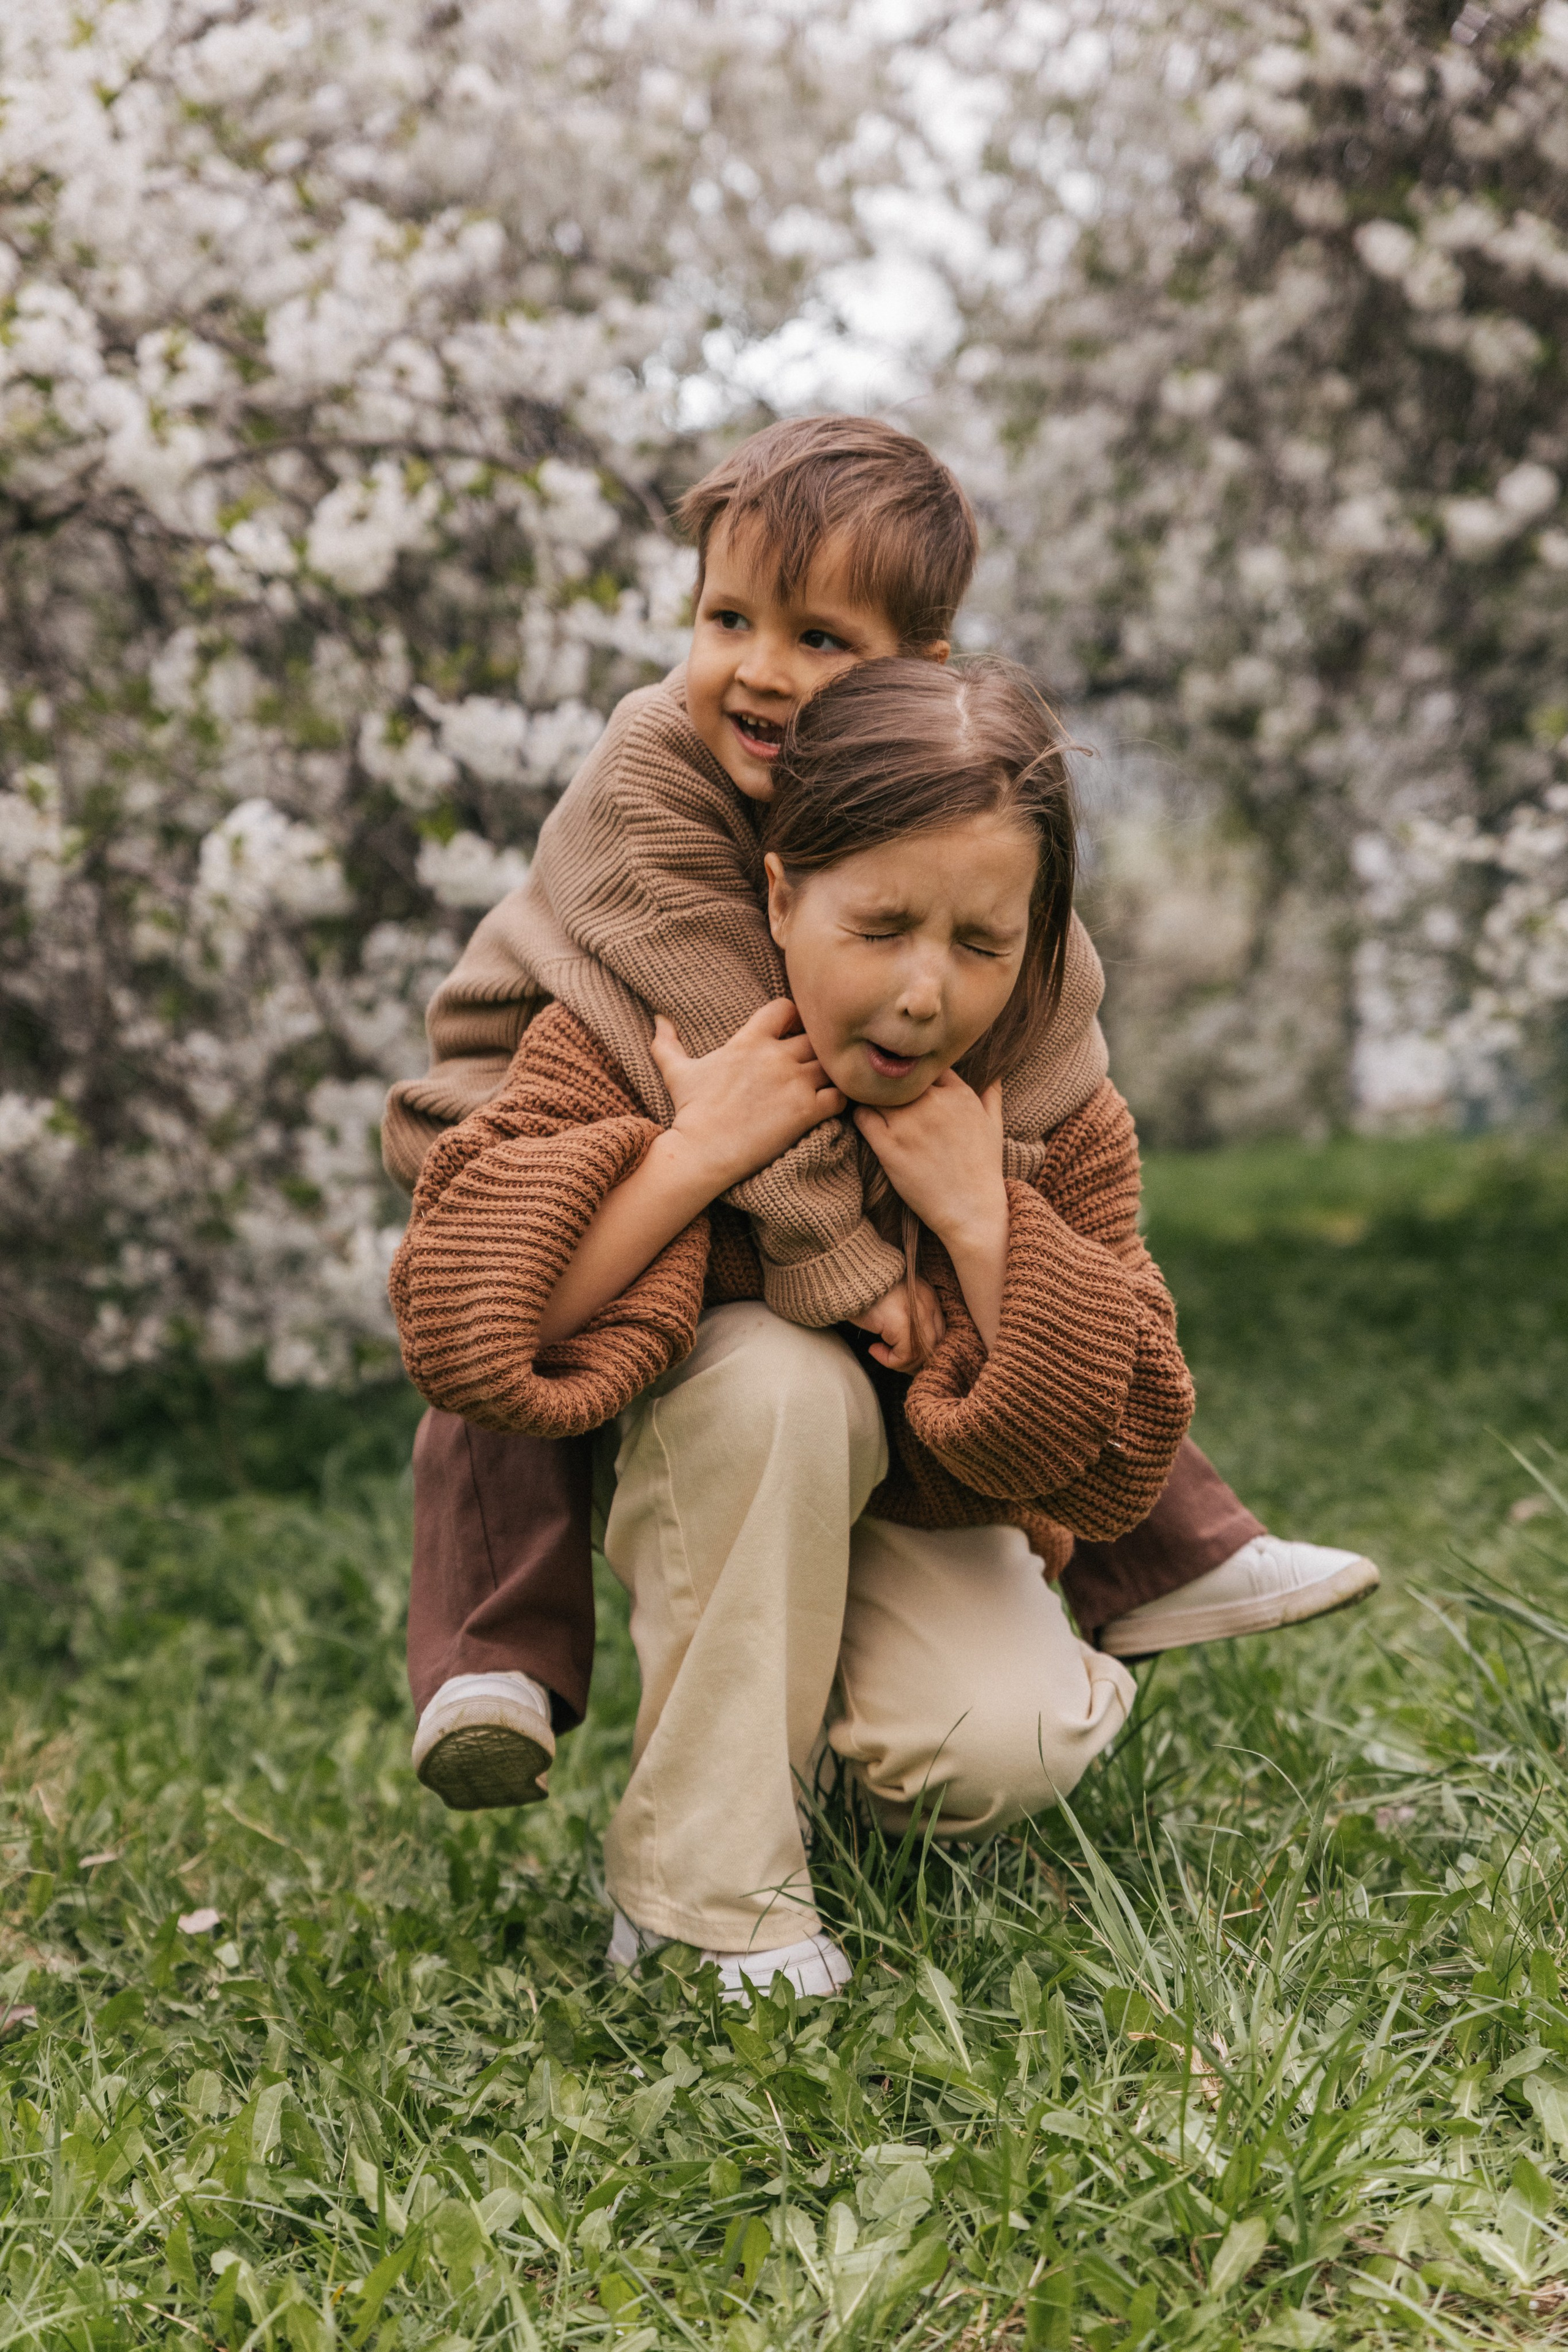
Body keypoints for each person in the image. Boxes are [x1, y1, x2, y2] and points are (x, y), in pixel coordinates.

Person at [382, 415, 1379, 1817]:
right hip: (568, 1106)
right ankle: (498, 1656)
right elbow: (759, 1077)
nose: (762, 669)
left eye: (819, 639)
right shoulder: (656, 783)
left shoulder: (941, 811)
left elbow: (1050, 1046)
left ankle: (1144, 1559)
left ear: (922, 669)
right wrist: (877, 1285)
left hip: (795, 1152)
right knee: (527, 1337)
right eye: (727, 617)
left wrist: (997, 1218)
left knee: (1011, 1236)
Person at [392, 657, 1197, 1996]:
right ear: (781, 892)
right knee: (776, 1381)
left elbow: (1120, 1457)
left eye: (979, 944)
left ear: (1036, 943)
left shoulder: (1044, 1107)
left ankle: (787, 1733)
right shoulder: (639, 1021)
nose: (924, 992)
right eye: (878, 927)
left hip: (902, 1512)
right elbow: (466, 1325)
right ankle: (700, 1897)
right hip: (707, 1461)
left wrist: (983, 1228)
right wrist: (694, 1152)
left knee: (1007, 1743)